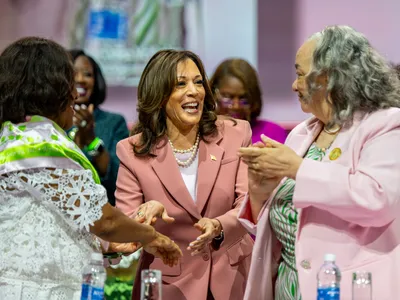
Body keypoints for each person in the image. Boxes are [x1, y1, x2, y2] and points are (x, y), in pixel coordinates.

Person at [0, 37, 182, 300]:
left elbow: (50, 219)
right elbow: (105, 220)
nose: (75, 94)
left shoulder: (12, 137)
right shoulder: (39, 144)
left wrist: (107, 245)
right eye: (68, 83)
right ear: (47, 89)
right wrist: (151, 236)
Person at [237, 25, 400, 300]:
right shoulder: (303, 132)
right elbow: (283, 225)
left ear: (327, 79)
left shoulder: (385, 124)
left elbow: (379, 200)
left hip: (348, 288)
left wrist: (297, 169)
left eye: (300, 74)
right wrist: (260, 192)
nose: (293, 85)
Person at [115, 49, 254, 300]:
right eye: (181, 84)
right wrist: (145, 216)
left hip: (233, 281)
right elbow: (125, 229)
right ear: (158, 95)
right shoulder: (132, 152)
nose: (194, 91)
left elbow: (248, 202)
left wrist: (219, 226)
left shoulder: (236, 133)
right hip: (169, 285)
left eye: (198, 82)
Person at [68, 49, 129, 206]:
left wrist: (92, 141)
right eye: (73, 73)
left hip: (102, 212)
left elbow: (119, 179)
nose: (80, 79)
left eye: (87, 74)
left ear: (96, 82)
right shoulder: (53, 123)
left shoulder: (114, 122)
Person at [210, 58, 287, 144]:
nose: (236, 106)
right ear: (213, 94)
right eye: (228, 98)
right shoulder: (202, 132)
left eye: (243, 98)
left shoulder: (272, 133)